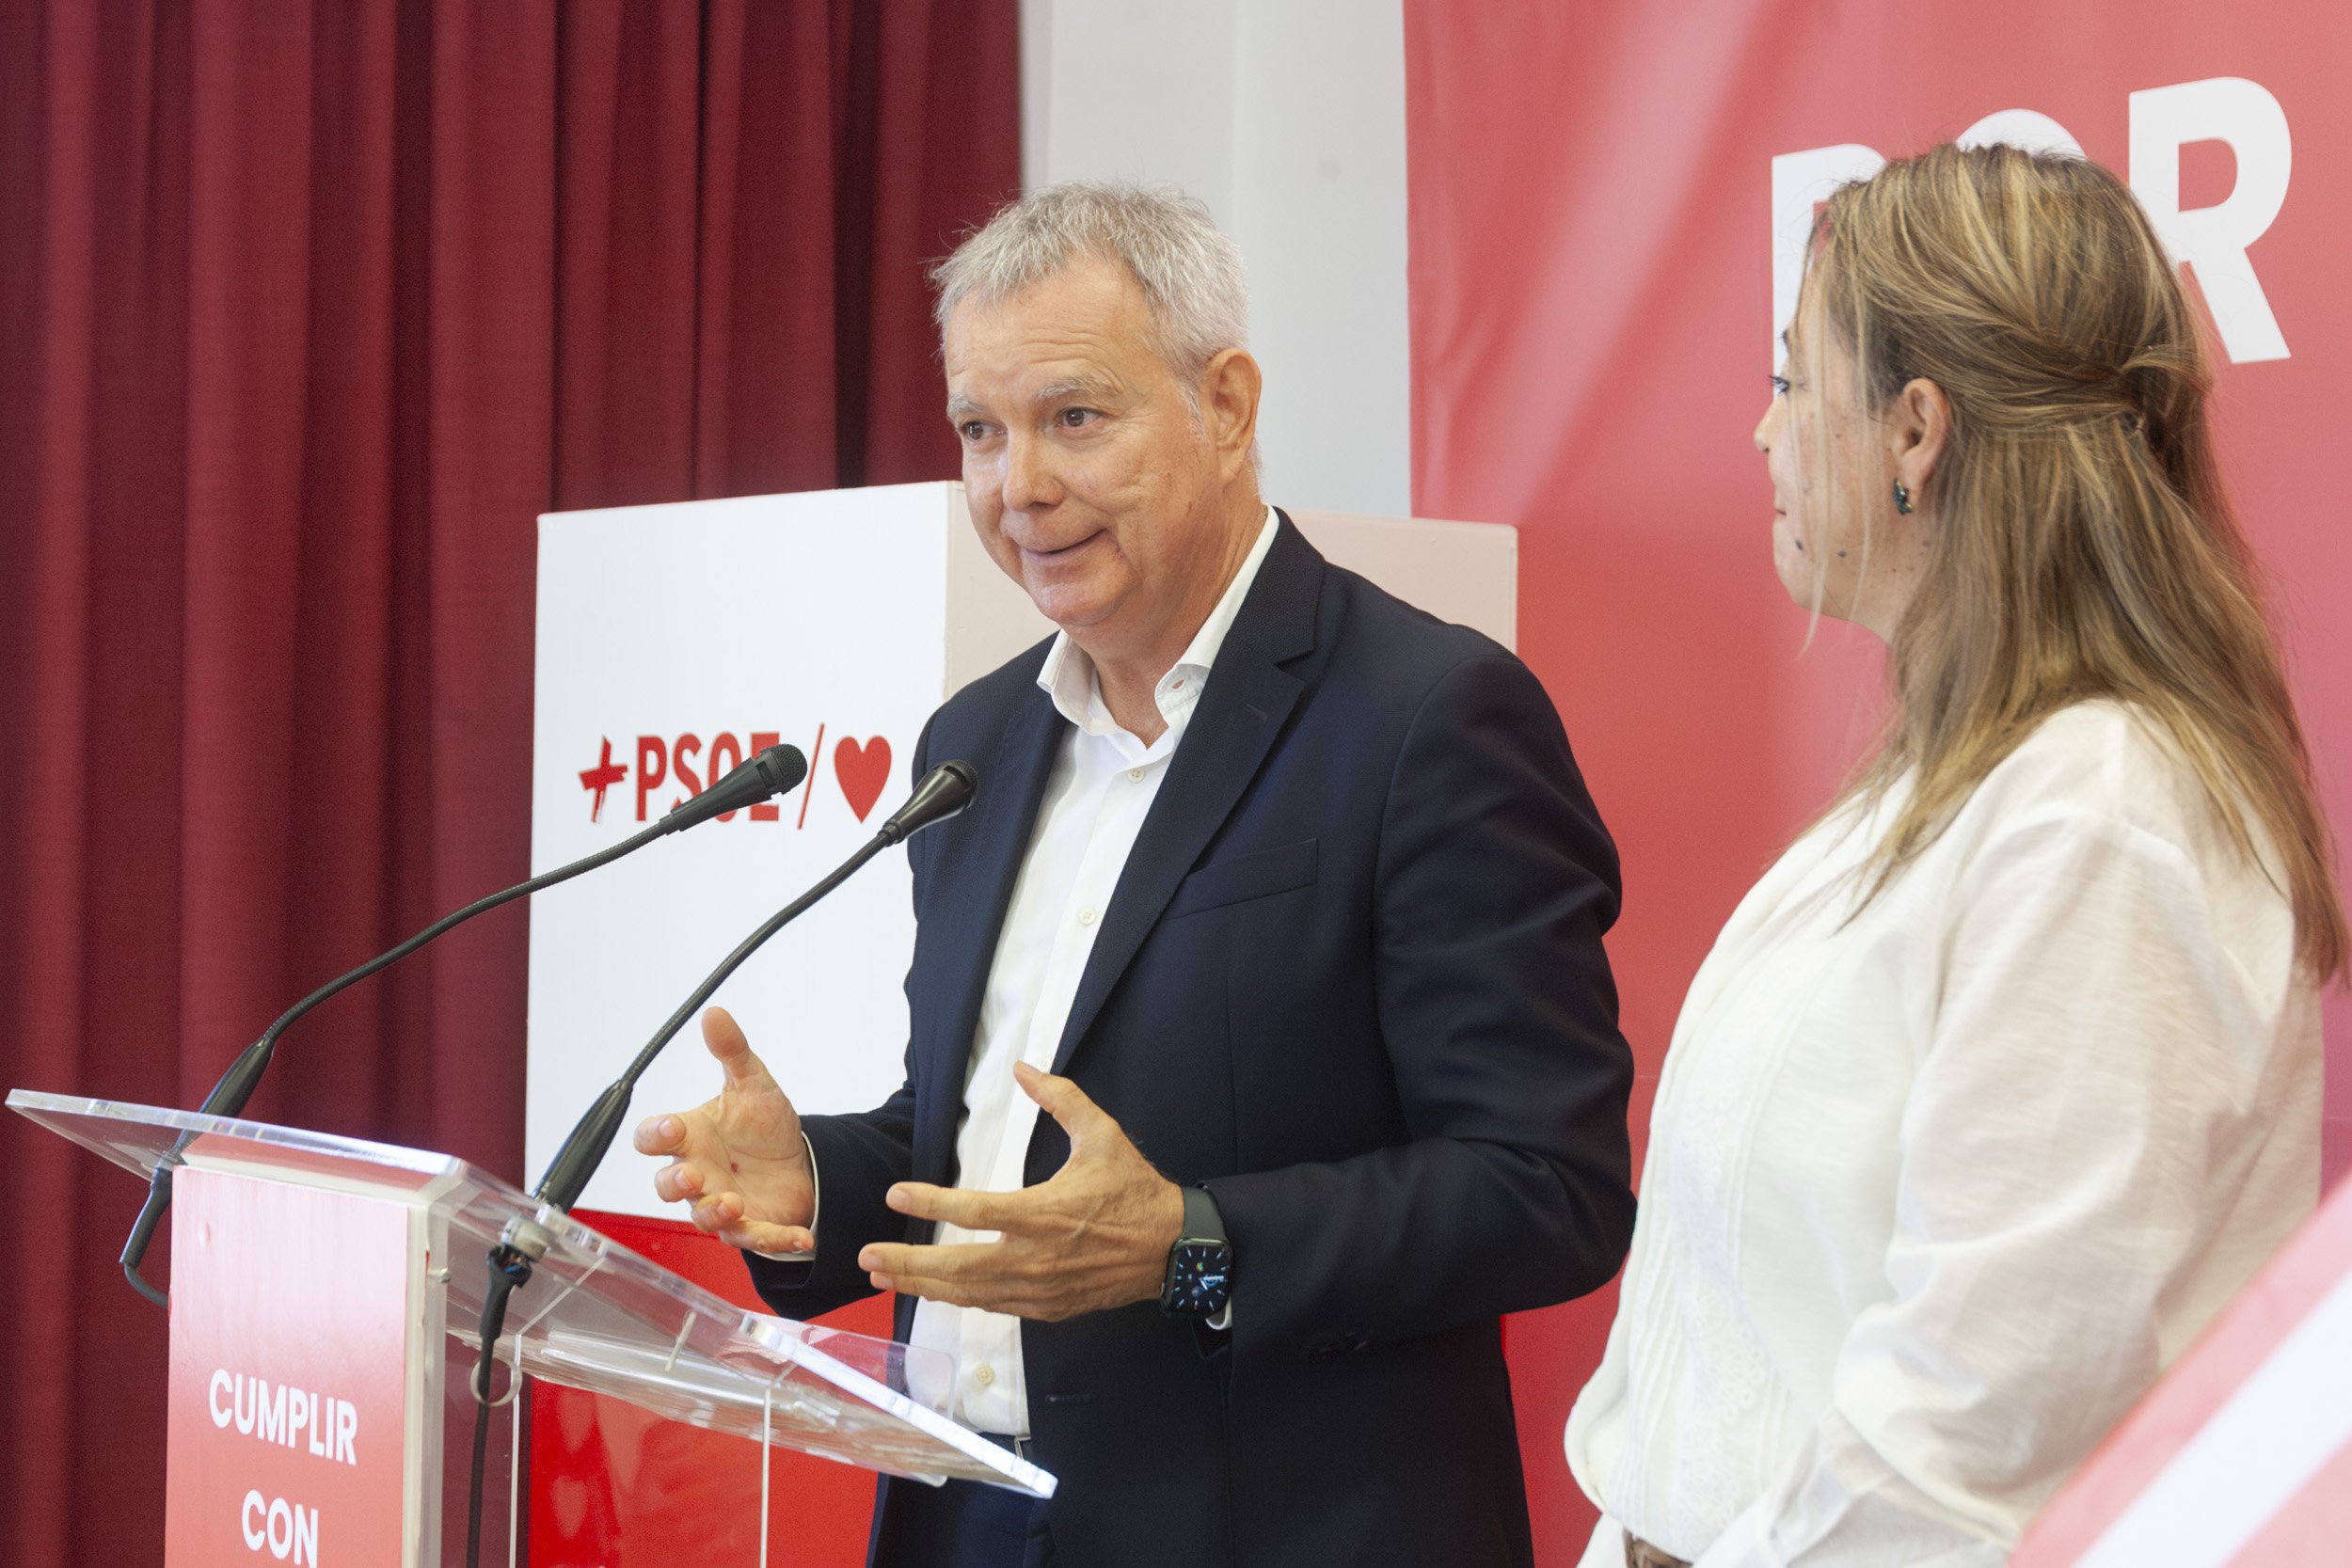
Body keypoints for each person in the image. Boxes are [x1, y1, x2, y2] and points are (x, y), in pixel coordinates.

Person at [636, 182, 1638, 1568]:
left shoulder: (1428, 717)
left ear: (1226, 405)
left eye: (1074, 418)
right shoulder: (975, 742)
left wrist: (1192, 1246)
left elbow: (1547, 1191)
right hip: (964, 1515)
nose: (1018, 486)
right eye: (980, 431)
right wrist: (817, 1177)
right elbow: (980, 1136)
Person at [1565, 143, 2344, 1568]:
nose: (1763, 434)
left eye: (1794, 382)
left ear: (1916, 432)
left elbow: (1971, 1428)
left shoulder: (2103, 812)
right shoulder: (1959, 785)